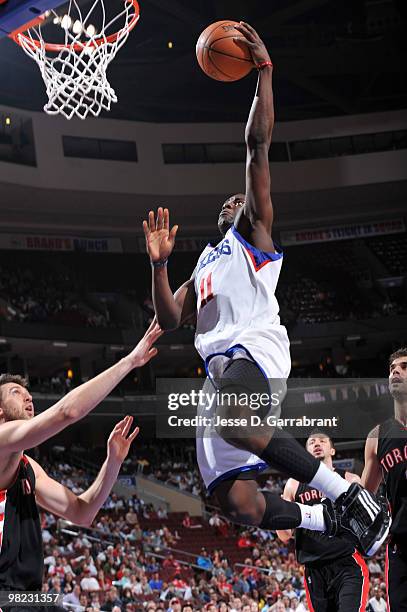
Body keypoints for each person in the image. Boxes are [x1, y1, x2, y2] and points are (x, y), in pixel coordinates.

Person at [143, 22, 389, 557]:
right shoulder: (205, 263)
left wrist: (265, 75)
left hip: (253, 348)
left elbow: (256, 144)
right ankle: (326, 518)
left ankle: (346, 495)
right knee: (236, 503)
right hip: (220, 370)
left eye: (244, 198)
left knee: (236, 424)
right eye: (230, 200)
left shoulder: (252, 235)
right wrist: (160, 268)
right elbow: (167, 318)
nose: (239, 199)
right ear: (219, 216)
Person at [0, 322, 160, 596]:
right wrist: (129, 362)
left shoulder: (29, 469)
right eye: (16, 393)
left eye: (29, 395)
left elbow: (82, 513)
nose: (28, 398)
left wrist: (113, 462)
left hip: (24, 597)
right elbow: (68, 412)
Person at [277, 431, 369, 611]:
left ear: (332, 450)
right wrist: (280, 513)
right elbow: (285, 536)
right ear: (305, 453)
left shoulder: (350, 480)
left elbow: (365, 523)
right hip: (314, 568)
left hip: (347, 563)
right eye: (311, 442)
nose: (317, 444)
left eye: (322, 441)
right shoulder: (293, 485)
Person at [362, 347, 407, 611]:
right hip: (400, 545)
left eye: (403, 366)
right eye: (392, 368)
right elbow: (363, 498)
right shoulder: (377, 436)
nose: (396, 372)